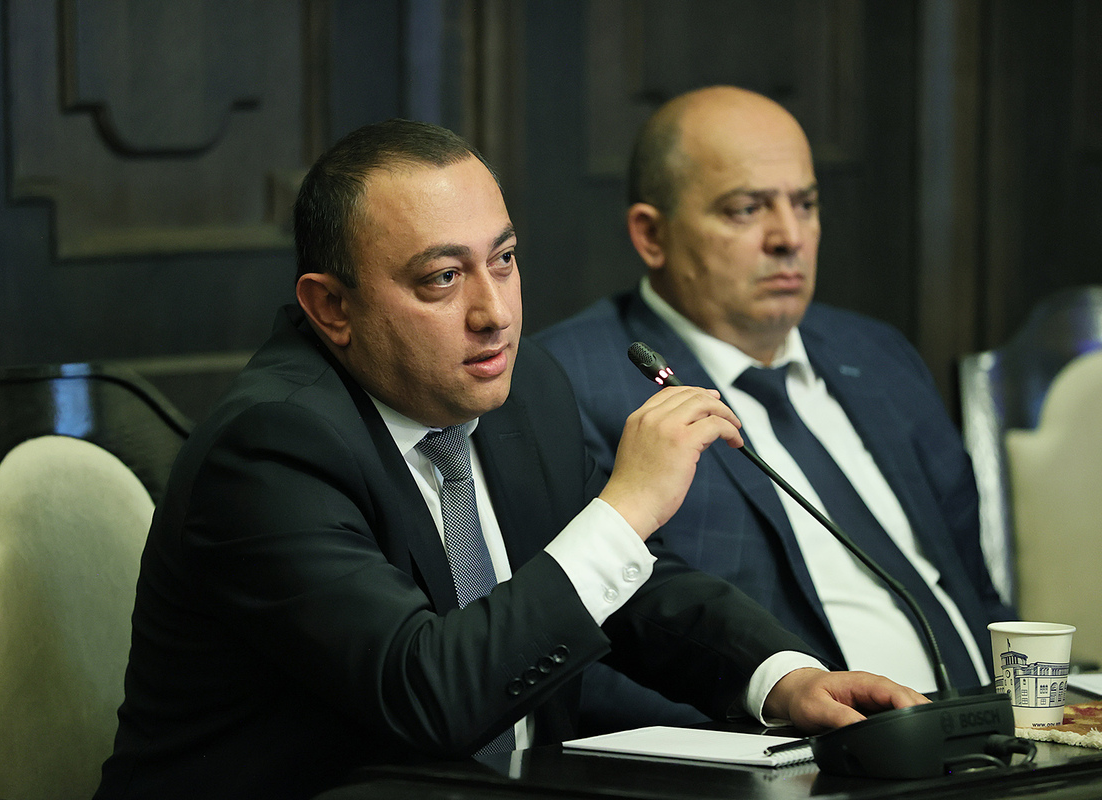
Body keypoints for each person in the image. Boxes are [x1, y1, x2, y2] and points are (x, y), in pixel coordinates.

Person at [93, 118, 925, 800]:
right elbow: (430, 693)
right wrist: (628, 505)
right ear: (332, 307)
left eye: (504, 260)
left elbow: (627, 589)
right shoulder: (270, 450)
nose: (494, 312)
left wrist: (782, 679)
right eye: (441, 279)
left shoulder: (521, 391)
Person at [537, 86, 1014, 733]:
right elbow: (592, 652)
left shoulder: (878, 355)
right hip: (807, 752)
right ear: (651, 235)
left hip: (992, 738)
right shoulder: (567, 383)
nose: (789, 238)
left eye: (805, 204)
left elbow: (973, 587)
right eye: (746, 209)